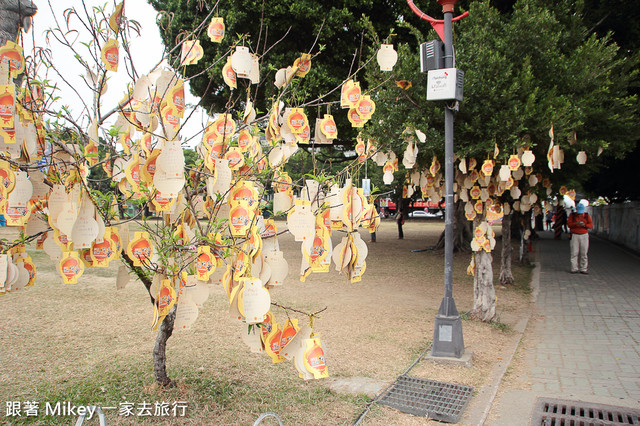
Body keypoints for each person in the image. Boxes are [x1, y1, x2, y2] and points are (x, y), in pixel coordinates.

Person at [567, 203, 592, 274]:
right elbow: (569, 224)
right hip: (574, 235)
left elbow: (590, 225)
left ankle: (583, 268)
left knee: (584, 253)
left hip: (584, 235)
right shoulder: (572, 216)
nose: (580, 214)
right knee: (574, 252)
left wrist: (584, 225)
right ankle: (574, 268)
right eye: (579, 212)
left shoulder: (587, 216)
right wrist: (576, 223)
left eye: (581, 213)